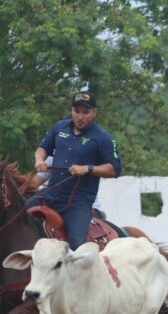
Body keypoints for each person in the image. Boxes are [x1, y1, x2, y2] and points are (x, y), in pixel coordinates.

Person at [27, 91, 122, 250]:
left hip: (78, 203)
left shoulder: (104, 138)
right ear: (72, 110)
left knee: (77, 247)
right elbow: (42, 148)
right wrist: (39, 160)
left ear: (94, 112)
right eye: (76, 111)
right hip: (49, 195)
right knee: (15, 216)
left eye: (86, 112)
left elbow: (114, 169)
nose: (80, 117)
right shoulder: (59, 127)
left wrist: (88, 168)